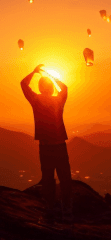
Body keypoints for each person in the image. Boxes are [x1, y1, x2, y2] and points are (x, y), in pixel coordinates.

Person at [21, 64, 72, 225]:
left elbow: (23, 84)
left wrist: (34, 72)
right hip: (60, 145)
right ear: (51, 88)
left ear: (40, 87)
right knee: (65, 179)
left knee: (48, 179)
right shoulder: (58, 100)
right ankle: (67, 212)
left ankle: (50, 211)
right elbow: (64, 88)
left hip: (45, 146)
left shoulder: (36, 100)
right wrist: (53, 76)